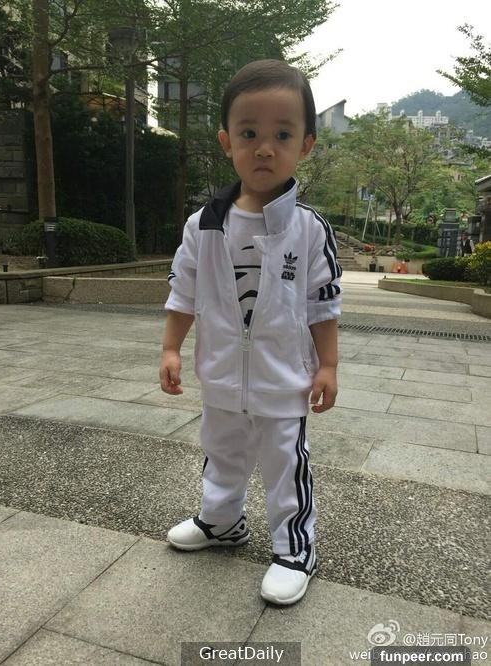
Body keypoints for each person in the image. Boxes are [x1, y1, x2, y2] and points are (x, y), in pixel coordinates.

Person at [159, 59, 342, 606]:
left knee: (286, 465)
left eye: (281, 135)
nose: (265, 148)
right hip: (221, 376)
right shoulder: (204, 224)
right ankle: (221, 521)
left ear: (305, 145)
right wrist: (170, 347)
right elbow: (183, 291)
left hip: (282, 378)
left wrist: (328, 365)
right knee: (221, 451)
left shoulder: (309, 230)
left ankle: (295, 549)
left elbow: (322, 302)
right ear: (226, 142)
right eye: (249, 134)